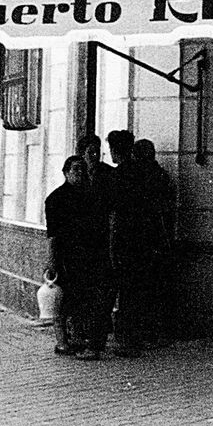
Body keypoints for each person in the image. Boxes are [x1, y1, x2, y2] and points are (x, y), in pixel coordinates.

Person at [45, 155, 113, 360]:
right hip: (68, 256)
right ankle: (64, 341)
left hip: (92, 255)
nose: (80, 173)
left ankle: (79, 339)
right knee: (65, 298)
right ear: (65, 173)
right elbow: (53, 234)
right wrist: (52, 260)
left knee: (87, 298)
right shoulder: (56, 199)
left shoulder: (92, 196)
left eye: (83, 169)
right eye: (75, 170)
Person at [103, 129, 146, 357]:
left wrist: (111, 244)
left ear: (115, 150)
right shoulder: (141, 173)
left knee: (118, 288)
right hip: (141, 239)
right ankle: (132, 338)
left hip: (122, 239)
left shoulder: (117, 176)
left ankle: (123, 339)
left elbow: (114, 213)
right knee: (134, 290)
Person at [133, 137, 178, 347]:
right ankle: (156, 333)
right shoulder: (161, 176)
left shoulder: (143, 178)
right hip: (161, 241)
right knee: (156, 289)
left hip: (146, 242)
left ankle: (148, 333)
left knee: (146, 290)